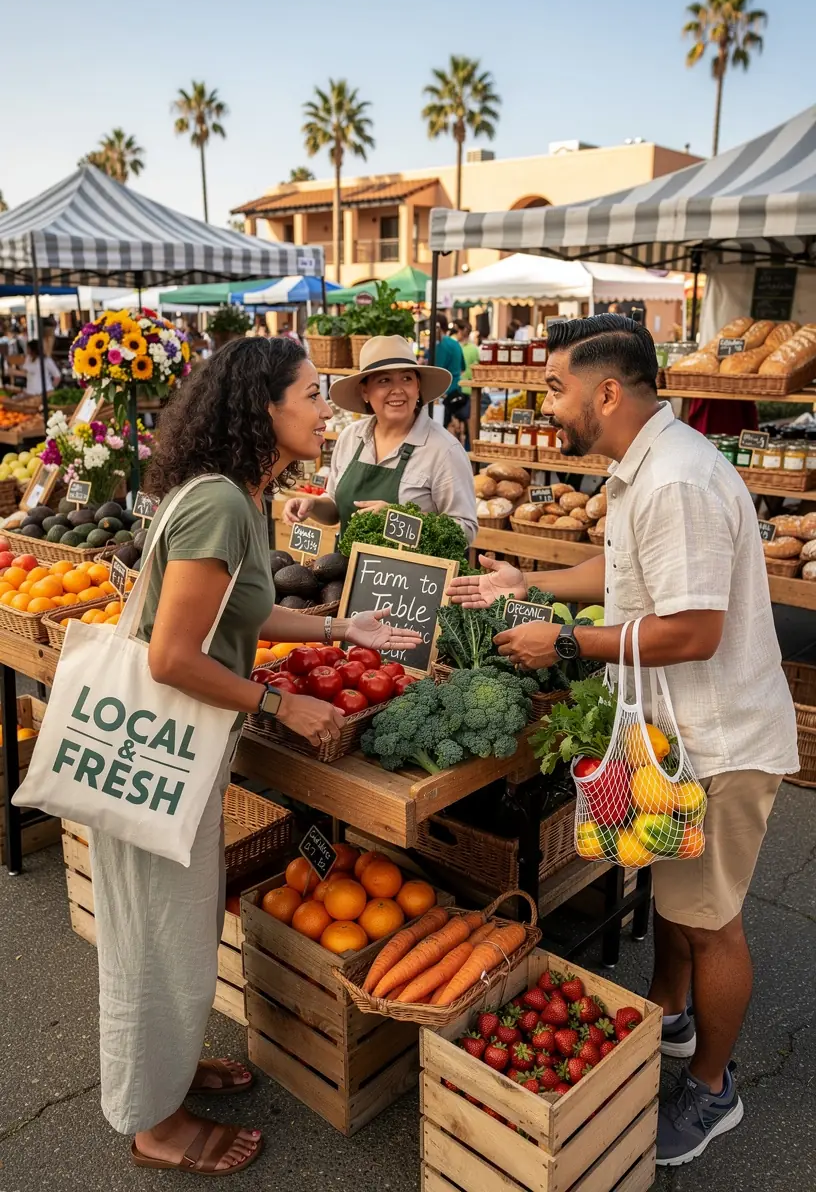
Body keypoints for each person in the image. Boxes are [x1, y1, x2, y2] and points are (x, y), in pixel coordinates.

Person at [448, 314, 798, 1168]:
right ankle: (671, 1017)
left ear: (607, 392)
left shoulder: (676, 479)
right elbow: (620, 574)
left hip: (717, 740)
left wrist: (565, 641)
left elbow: (693, 632)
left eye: (559, 386)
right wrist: (526, 580)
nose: (549, 402)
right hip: (682, 734)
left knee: (712, 923)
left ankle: (714, 1091)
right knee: (683, 902)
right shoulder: (645, 470)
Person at [92, 338, 422, 1177]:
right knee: (153, 939)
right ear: (263, 408)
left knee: (183, 926)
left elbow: (235, 619)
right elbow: (172, 655)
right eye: (313, 395)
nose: (327, 410)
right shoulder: (220, 506)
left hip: (183, 747)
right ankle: (151, 1120)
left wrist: (339, 628)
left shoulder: (236, 496)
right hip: (161, 750)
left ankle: (168, 1072)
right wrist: (281, 700)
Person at [283, 334, 477, 542]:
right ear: (365, 391)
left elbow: (465, 530)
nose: (398, 390)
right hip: (351, 571)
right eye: (384, 380)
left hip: (409, 574)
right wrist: (312, 506)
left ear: (418, 387)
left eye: (407, 378)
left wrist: (398, 521)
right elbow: (336, 506)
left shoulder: (443, 450)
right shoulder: (351, 437)